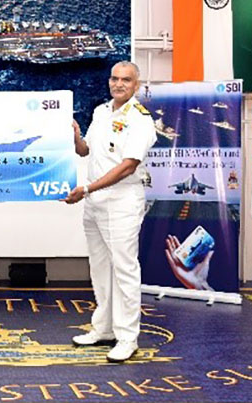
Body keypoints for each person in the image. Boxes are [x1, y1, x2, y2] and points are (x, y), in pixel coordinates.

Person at [63, 61, 157, 363]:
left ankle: (127, 337)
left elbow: (128, 166)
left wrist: (87, 189)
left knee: (125, 270)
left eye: (126, 80)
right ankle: (103, 328)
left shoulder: (140, 120)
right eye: (115, 79)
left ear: (136, 85)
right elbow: (85, 150)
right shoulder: (101, 112)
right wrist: (75, 135)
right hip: (94, 201)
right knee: (100, 268)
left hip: (121, 201)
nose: (119, 84)